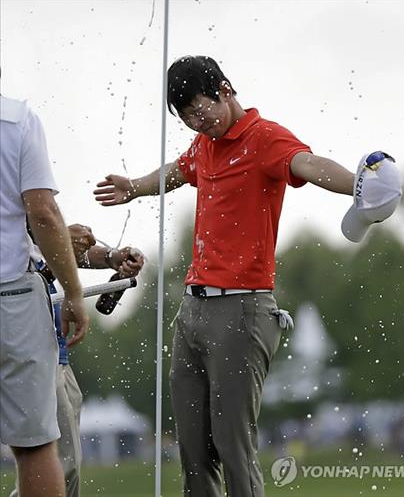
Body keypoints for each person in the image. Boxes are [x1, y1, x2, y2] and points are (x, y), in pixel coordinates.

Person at [93, 56, 356, 497]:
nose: (199, 124)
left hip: (242, 309)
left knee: (233, 448)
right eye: (188, 119)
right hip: (193, 310)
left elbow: (308, 164)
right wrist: (134, 187)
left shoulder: (264, 137)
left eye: (202, 111)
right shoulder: (204, 145)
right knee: (194, 453)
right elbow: (178, 171)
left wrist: (360, 187)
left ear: (225, 90)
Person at [9, 223, 145, 497]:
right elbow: (19, 275)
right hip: (31, 345)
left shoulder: (27, 207)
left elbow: (47, 248)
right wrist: (63, 250)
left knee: (65, 467)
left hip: (54, 348)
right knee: (56, 469)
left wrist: (112, 257)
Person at [0, 95, 89, 497]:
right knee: (34, 446)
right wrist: (73, 292)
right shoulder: (17, 119)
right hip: (12, 296)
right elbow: (43, 213)